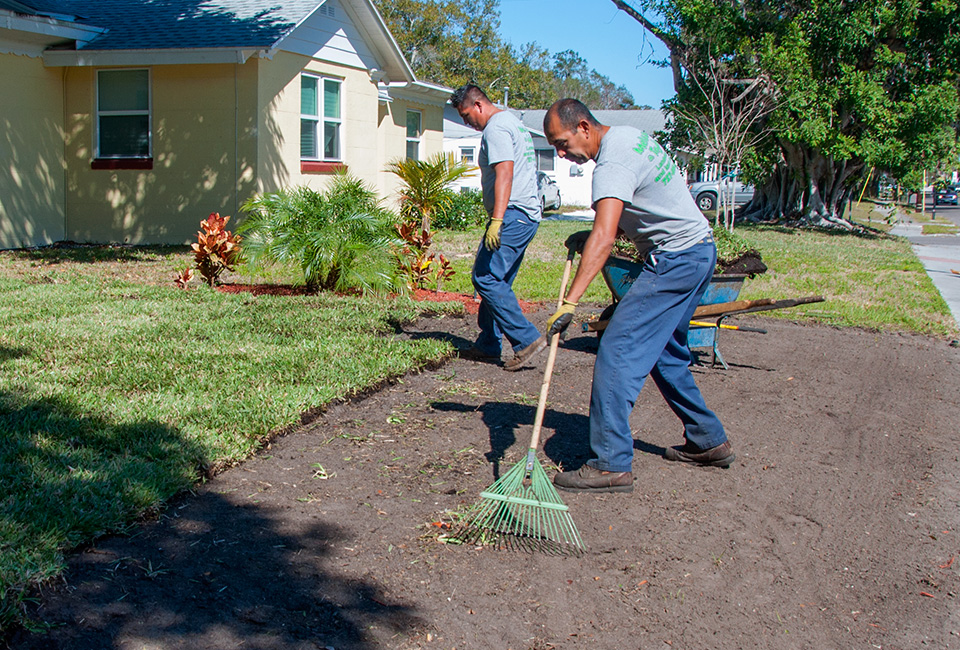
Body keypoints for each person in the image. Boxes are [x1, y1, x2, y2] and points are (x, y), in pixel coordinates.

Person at [541, 98, 734, 493]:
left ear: (583, 127)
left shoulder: (612, 163)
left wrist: (570, 302)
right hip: (698, 250)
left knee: (617, 347)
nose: (561, 154)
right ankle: (708, 440)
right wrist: (597, 235)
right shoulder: (629, 139)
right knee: (664, 351)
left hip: (676, 259)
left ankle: (610, 462)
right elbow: (652, 204)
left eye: (562, 143)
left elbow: (605, 235)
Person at [449, 84, 546, 371]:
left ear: (479, 104)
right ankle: (489, 343)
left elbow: (505, 172)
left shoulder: (497, 128)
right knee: (498, 281)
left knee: (486, 277)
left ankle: (526, 339)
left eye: (467, 115)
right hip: (524, 214)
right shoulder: (512, 122)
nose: (467, 122)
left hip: (513, 214)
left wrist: (497, 220)